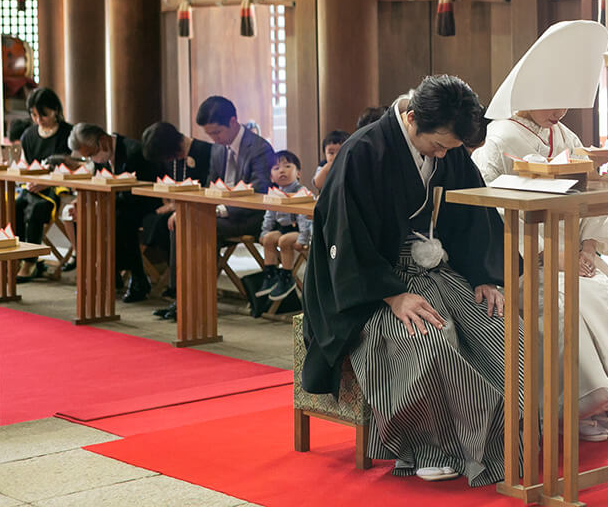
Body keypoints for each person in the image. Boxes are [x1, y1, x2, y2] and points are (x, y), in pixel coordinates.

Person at [302, 75, 510, 485]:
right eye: (439, 146)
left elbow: (473, 214)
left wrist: (485, 275)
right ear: (412, 118)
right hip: (368, 284)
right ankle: (426, 446)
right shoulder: (363, 152)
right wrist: (393, 295)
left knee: (498, 327)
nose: (444, 154)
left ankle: (498, 437)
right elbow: (345, 238)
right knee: (429, 339)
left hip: (434, 270)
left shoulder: (446, 145)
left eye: (450, 149)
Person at [473, 20, 608, 441]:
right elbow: (487, 210)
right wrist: (543, 256)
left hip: (573, 254)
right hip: (524, 261)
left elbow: (586, 195)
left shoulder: (564, 134)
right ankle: (578, 406)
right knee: (568, 307)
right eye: (552, 101)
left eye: (565, 103)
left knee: (602, 292)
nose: (560, 113)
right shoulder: (497, 141)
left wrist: (588, 248)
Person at [156, 96, 273, 320]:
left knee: (196, 227)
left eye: (217, 133)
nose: (214, 139)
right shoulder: (219, 150)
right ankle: (181, 297)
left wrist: (219, 210)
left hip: (251, 215)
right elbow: (211, 186)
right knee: (181, 224)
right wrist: (187, 211)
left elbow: (261, 192)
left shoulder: (258, 147)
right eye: (209, 134)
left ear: (232, 121)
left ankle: (192, 301)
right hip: (221, 213)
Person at [68, 123, 161, 303]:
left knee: (119, 218)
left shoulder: (133, 151)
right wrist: (84, 203)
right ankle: (105, 271)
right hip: (117, 204)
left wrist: (98, 206)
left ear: (103, 141)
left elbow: (136, 193)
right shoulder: (101, 158)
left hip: (146, 204)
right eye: (89, 157)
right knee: (77, 215)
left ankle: (137, 276)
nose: (94, 159)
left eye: (92, 154)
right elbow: (99, 186)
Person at [140, 121, 213, 296]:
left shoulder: (204, 151)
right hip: (176, 209)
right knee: (153, 220)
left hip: (201, 210)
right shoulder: (170, 160)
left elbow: (209, 189)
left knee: (170, 224)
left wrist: (175, 207)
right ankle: (175, 281)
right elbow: (163, 183)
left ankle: (181, 286)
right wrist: (168, 204)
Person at [15, 88, 72, 280]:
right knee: (15, 205)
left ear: (56, 110)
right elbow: (23, 165)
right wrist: (30, 180)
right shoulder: (28, 135)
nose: (39, 120)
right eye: (34, 115)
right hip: (31, 185)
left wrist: (46, 182)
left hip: (56, 188)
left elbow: (72, 167)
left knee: (38, 208)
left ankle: (30, 262)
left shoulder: (68, 133)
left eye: (44, 114)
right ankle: (20, 256)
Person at [254, 149, 312, 303]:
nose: (282, 171)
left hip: (301, 231)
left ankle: (287, 277)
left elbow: (305, 219)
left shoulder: (302, 192)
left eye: (287, 166)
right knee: (268, 239)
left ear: (298, 173)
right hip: (284, 229)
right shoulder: (275, 193)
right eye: (276, 168)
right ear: (271, 177)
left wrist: (303, 239)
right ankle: (270, 274)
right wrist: (264, 232)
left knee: (284, 241)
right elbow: (269, 215)